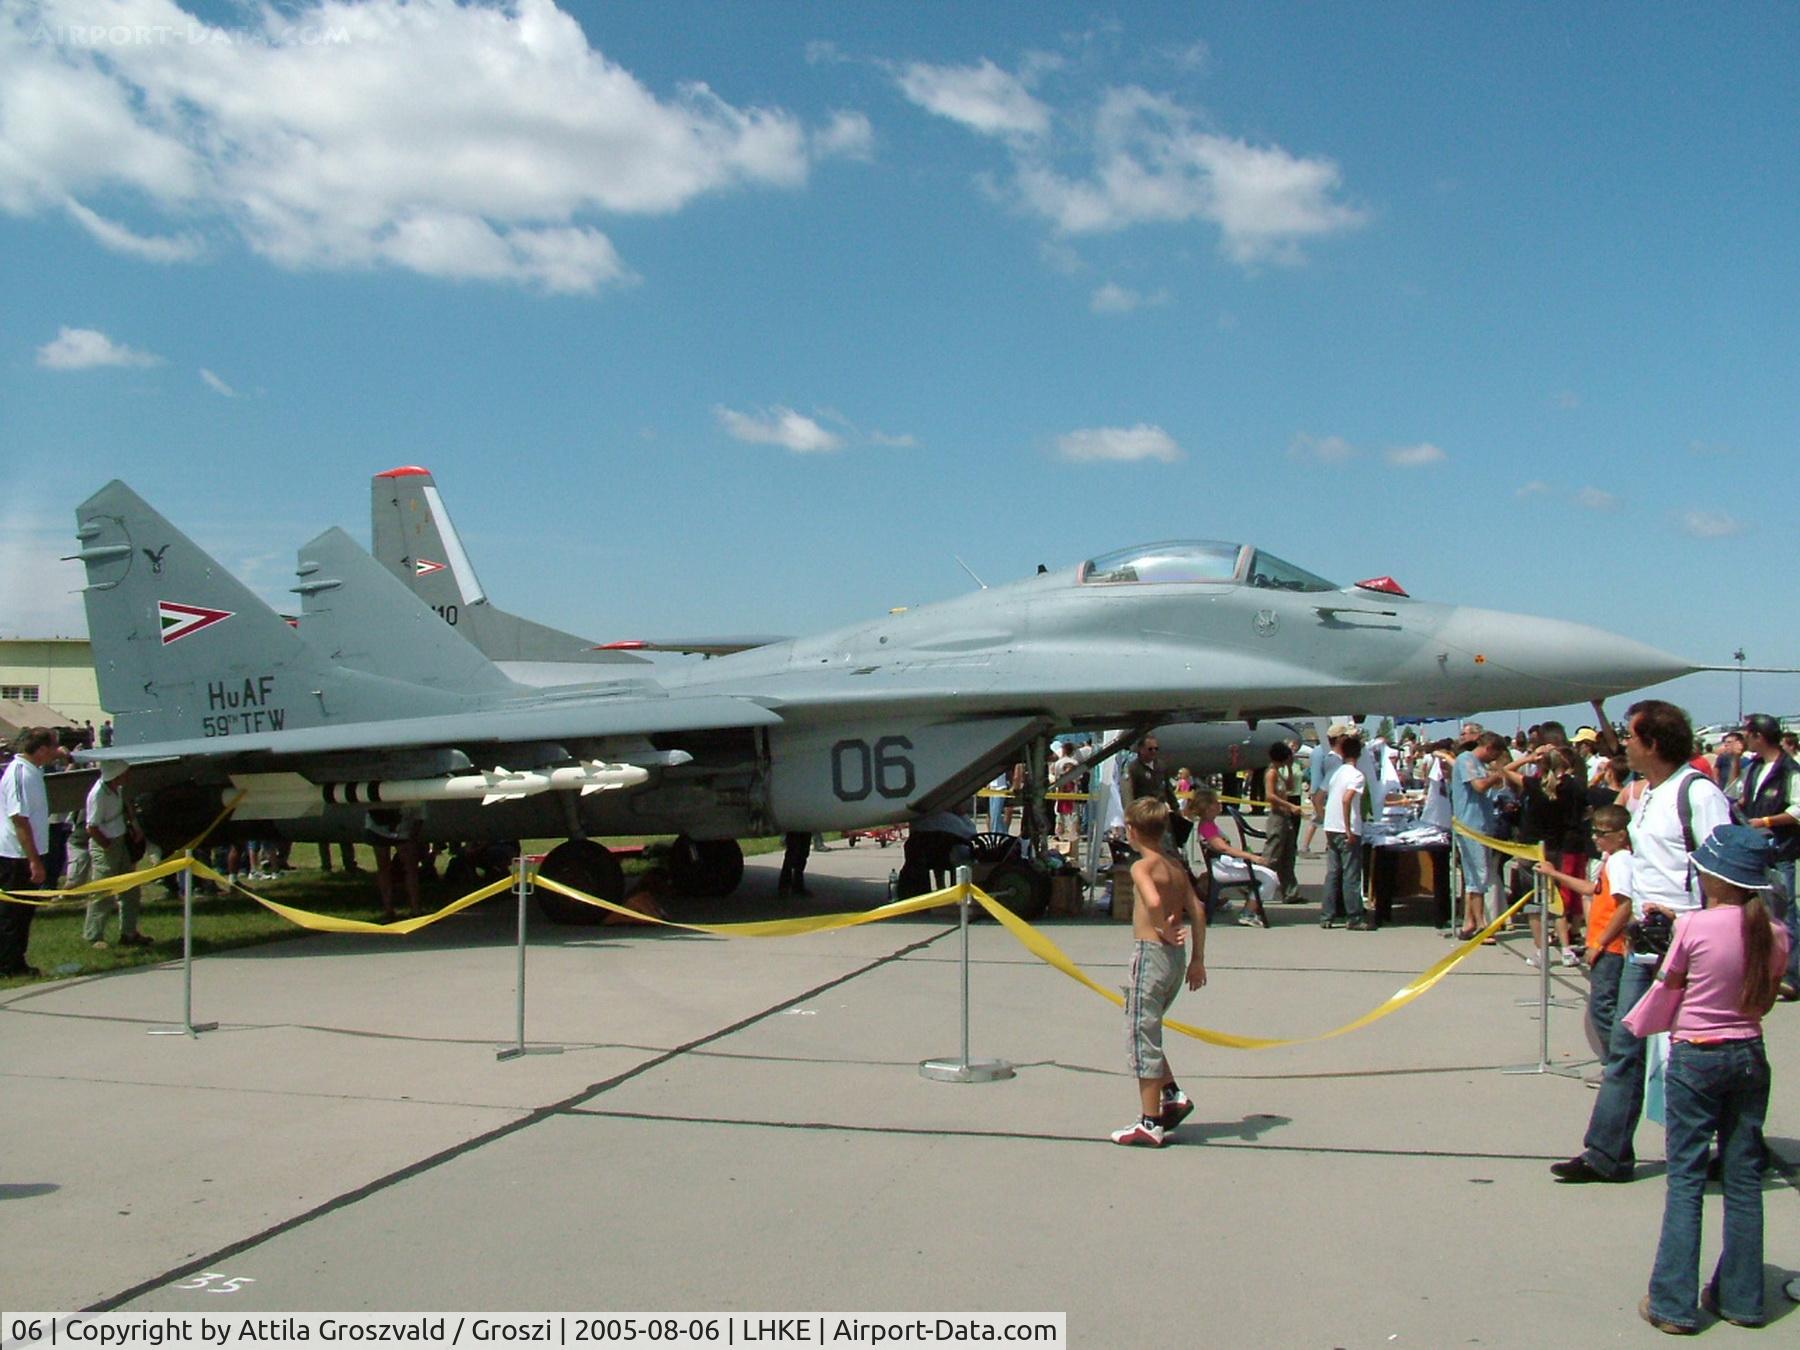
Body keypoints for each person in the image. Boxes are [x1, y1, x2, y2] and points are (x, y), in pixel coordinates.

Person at [1551, 699, 1731, 1184]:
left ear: (1653, 742)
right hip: (1645, 943)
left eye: (1630, 736)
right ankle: (1606, 1153)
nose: (1623, 744)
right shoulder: (1649, 793)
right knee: (1625, 1048)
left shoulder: (1697, 795)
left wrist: (1698, 923)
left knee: (1699, 1050)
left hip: (1689, 942)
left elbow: (1725, 870)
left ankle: (1727, 1147)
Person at [1636, 825, 1788, 1334]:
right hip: (1748, 1052)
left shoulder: (1694, 928)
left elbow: (1670, 983)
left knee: (1686, 1179)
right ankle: (1743, 1298)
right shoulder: (1774, 932)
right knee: (1744, 1178)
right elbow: (1763, 999)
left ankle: (1673, 1302)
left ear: (1714, 879)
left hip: (1697, 1055)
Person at [1111, 797, 1207, 1147]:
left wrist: (1160, 928)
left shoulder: (1142, 866)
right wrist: (1198, 959)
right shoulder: (1175, 868)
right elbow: (1197, 910)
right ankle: (1172, 1094)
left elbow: (1152, 901)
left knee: (1140, 1035)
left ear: (1132, 831)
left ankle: (1150, 1121)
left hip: (1151, 954)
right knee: (1147, 1024)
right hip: (1176, 960)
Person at [1538, 804, 1634, 1052]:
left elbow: (1624, 907)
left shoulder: (1621, 862)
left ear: (1621, 835)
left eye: (1602, 833)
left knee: (1603, 1009)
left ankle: (1617, 1066)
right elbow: (1592, 890)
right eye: (1594, 832)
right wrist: (1555, 874)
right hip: (1604, 945)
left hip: (1611, 948)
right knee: (1602, 1007)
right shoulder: (1611, 860)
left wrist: (1600, 942)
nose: (1596, 838)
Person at [1735, 713, 1799, 1001]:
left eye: (1748, 734)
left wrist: (1767, 821)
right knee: (1754, 913)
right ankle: (1759, 972)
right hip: (1754, 849)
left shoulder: (1789, 771)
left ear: (1759, 736)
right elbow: (1740, 796)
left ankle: (1792, 975)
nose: (1745, 739)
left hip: (1779, 850)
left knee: (1784, 914)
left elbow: (1798, 810)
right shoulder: (1754, 768)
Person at [0, 728, 62, 977]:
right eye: (53, 748)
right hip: (16, 855)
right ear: (42, 749)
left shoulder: (34, 771)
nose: (55, 753)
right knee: (11, 914)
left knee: (25, 911)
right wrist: (34, 861)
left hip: (30, 853)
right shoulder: (20, 774)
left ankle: (17, 960)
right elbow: (20, 819)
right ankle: (7, 965)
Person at [1183, 789, 1279, 927]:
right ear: (1209, 807)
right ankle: (1248, 912)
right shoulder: (1207, 826)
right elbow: (1223, 848)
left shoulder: (1209, 824)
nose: (1219, 804)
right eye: (1216, 802)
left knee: (1267, 875)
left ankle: (1251, 904)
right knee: (1270, 877)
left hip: (1224, 865)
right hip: (1223, 869)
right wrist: (1251, 857)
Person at [82, 762, 151, 949]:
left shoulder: (116, 789)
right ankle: (94, 936)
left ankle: (129, 933)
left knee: (130, 890)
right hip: (105, 844)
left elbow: (124, 807)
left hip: (120, 841)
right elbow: (92, 827)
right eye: (125, 772)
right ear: (116, 774)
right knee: (103, 892)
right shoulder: (98, 794)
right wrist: (106, 845)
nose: (128, 775)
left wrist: (134, 827)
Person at [1451, 732, 1508, 939]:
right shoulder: (1467, 759)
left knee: (1475, 876)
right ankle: (1482, 924)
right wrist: (1497, 774)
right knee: (1479, 876)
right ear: (1489, 747)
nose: (1494, 759)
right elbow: (1479, 786)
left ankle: (1469, 922)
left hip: (1480, 825)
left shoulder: (1478, 764)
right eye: (1495, 754)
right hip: (1471, 825)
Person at [1321, 732, 1372, 930]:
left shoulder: (1335, 773)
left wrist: (1322, 815)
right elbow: (1347, 799)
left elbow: (1318, 795)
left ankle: (1327, 915)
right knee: (1351, 874)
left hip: (1330, 826)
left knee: (1333, 873)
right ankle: (1354, 916)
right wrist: (1349, 828)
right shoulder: (1357, 775)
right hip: (1345, 828)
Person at [1123, 735, 1189, 853]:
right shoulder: (1133, 768)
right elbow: (1129, 794)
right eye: (1150, 749)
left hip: (1161, 813)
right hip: (1144, 815)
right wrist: (1131, 817)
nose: (1153, 752)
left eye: (1156, 749)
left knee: (1169, 845)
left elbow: (1168, 789)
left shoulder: (1161, 766)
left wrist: (1177, 810)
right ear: (1140, 749)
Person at [1262, 741, 1304, 901]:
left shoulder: (1279, 772)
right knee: (1273, 853)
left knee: (1288, 854)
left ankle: (1290, 891)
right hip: (1277, 817)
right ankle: (1255, 884)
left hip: (1285, 817)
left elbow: (1291, 786)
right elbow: (1270, 795)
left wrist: (1289, 769)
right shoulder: (1271, 773)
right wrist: (1290, 806)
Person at [777, 830, 812, 897]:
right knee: (792, 855)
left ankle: (797, 885)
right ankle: (784, 886)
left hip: (805, 827)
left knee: (803, 854)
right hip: (795, 828)